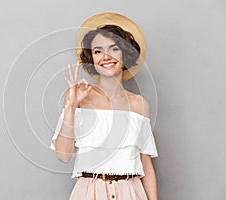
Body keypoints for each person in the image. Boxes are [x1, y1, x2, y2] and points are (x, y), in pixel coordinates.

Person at [50, 12, 159, 200]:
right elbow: (63, 156)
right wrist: (70, 106)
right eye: (98, 51)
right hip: (89, 191)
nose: (106, 57)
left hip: (131, 192)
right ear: (91, 58)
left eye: (114, 49)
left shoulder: (139, 104)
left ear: (125, 54)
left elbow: (146, 166)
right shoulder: (78, 97)